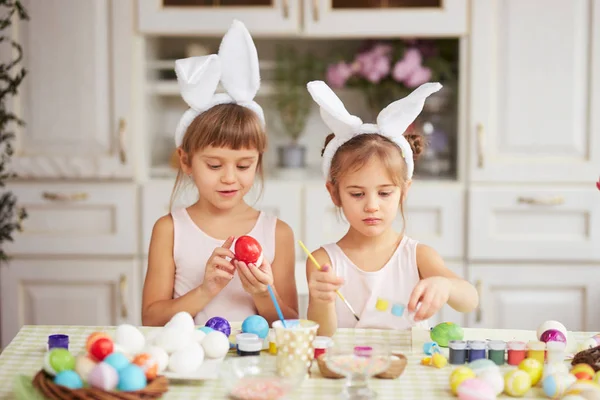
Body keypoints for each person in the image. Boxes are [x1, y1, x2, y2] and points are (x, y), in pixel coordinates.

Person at [142, 20, 298, 327]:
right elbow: (150, 320)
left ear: (258, 161)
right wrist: (206, 289)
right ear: (185, 161)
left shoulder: (278, 233)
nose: (229, 178)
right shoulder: (170, 230)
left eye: (243, 165)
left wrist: (263, 293)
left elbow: (292, 323)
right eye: (214, 165)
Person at [305, 80, 478, 336]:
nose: (372, 206)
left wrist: (446, 286)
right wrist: (321, 300)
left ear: (404, 191)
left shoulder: (418, 256)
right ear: (334, 193)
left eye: (385, 193)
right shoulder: (322, 262)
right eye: (357, 194)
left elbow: (469, 299)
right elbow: (322, 337)